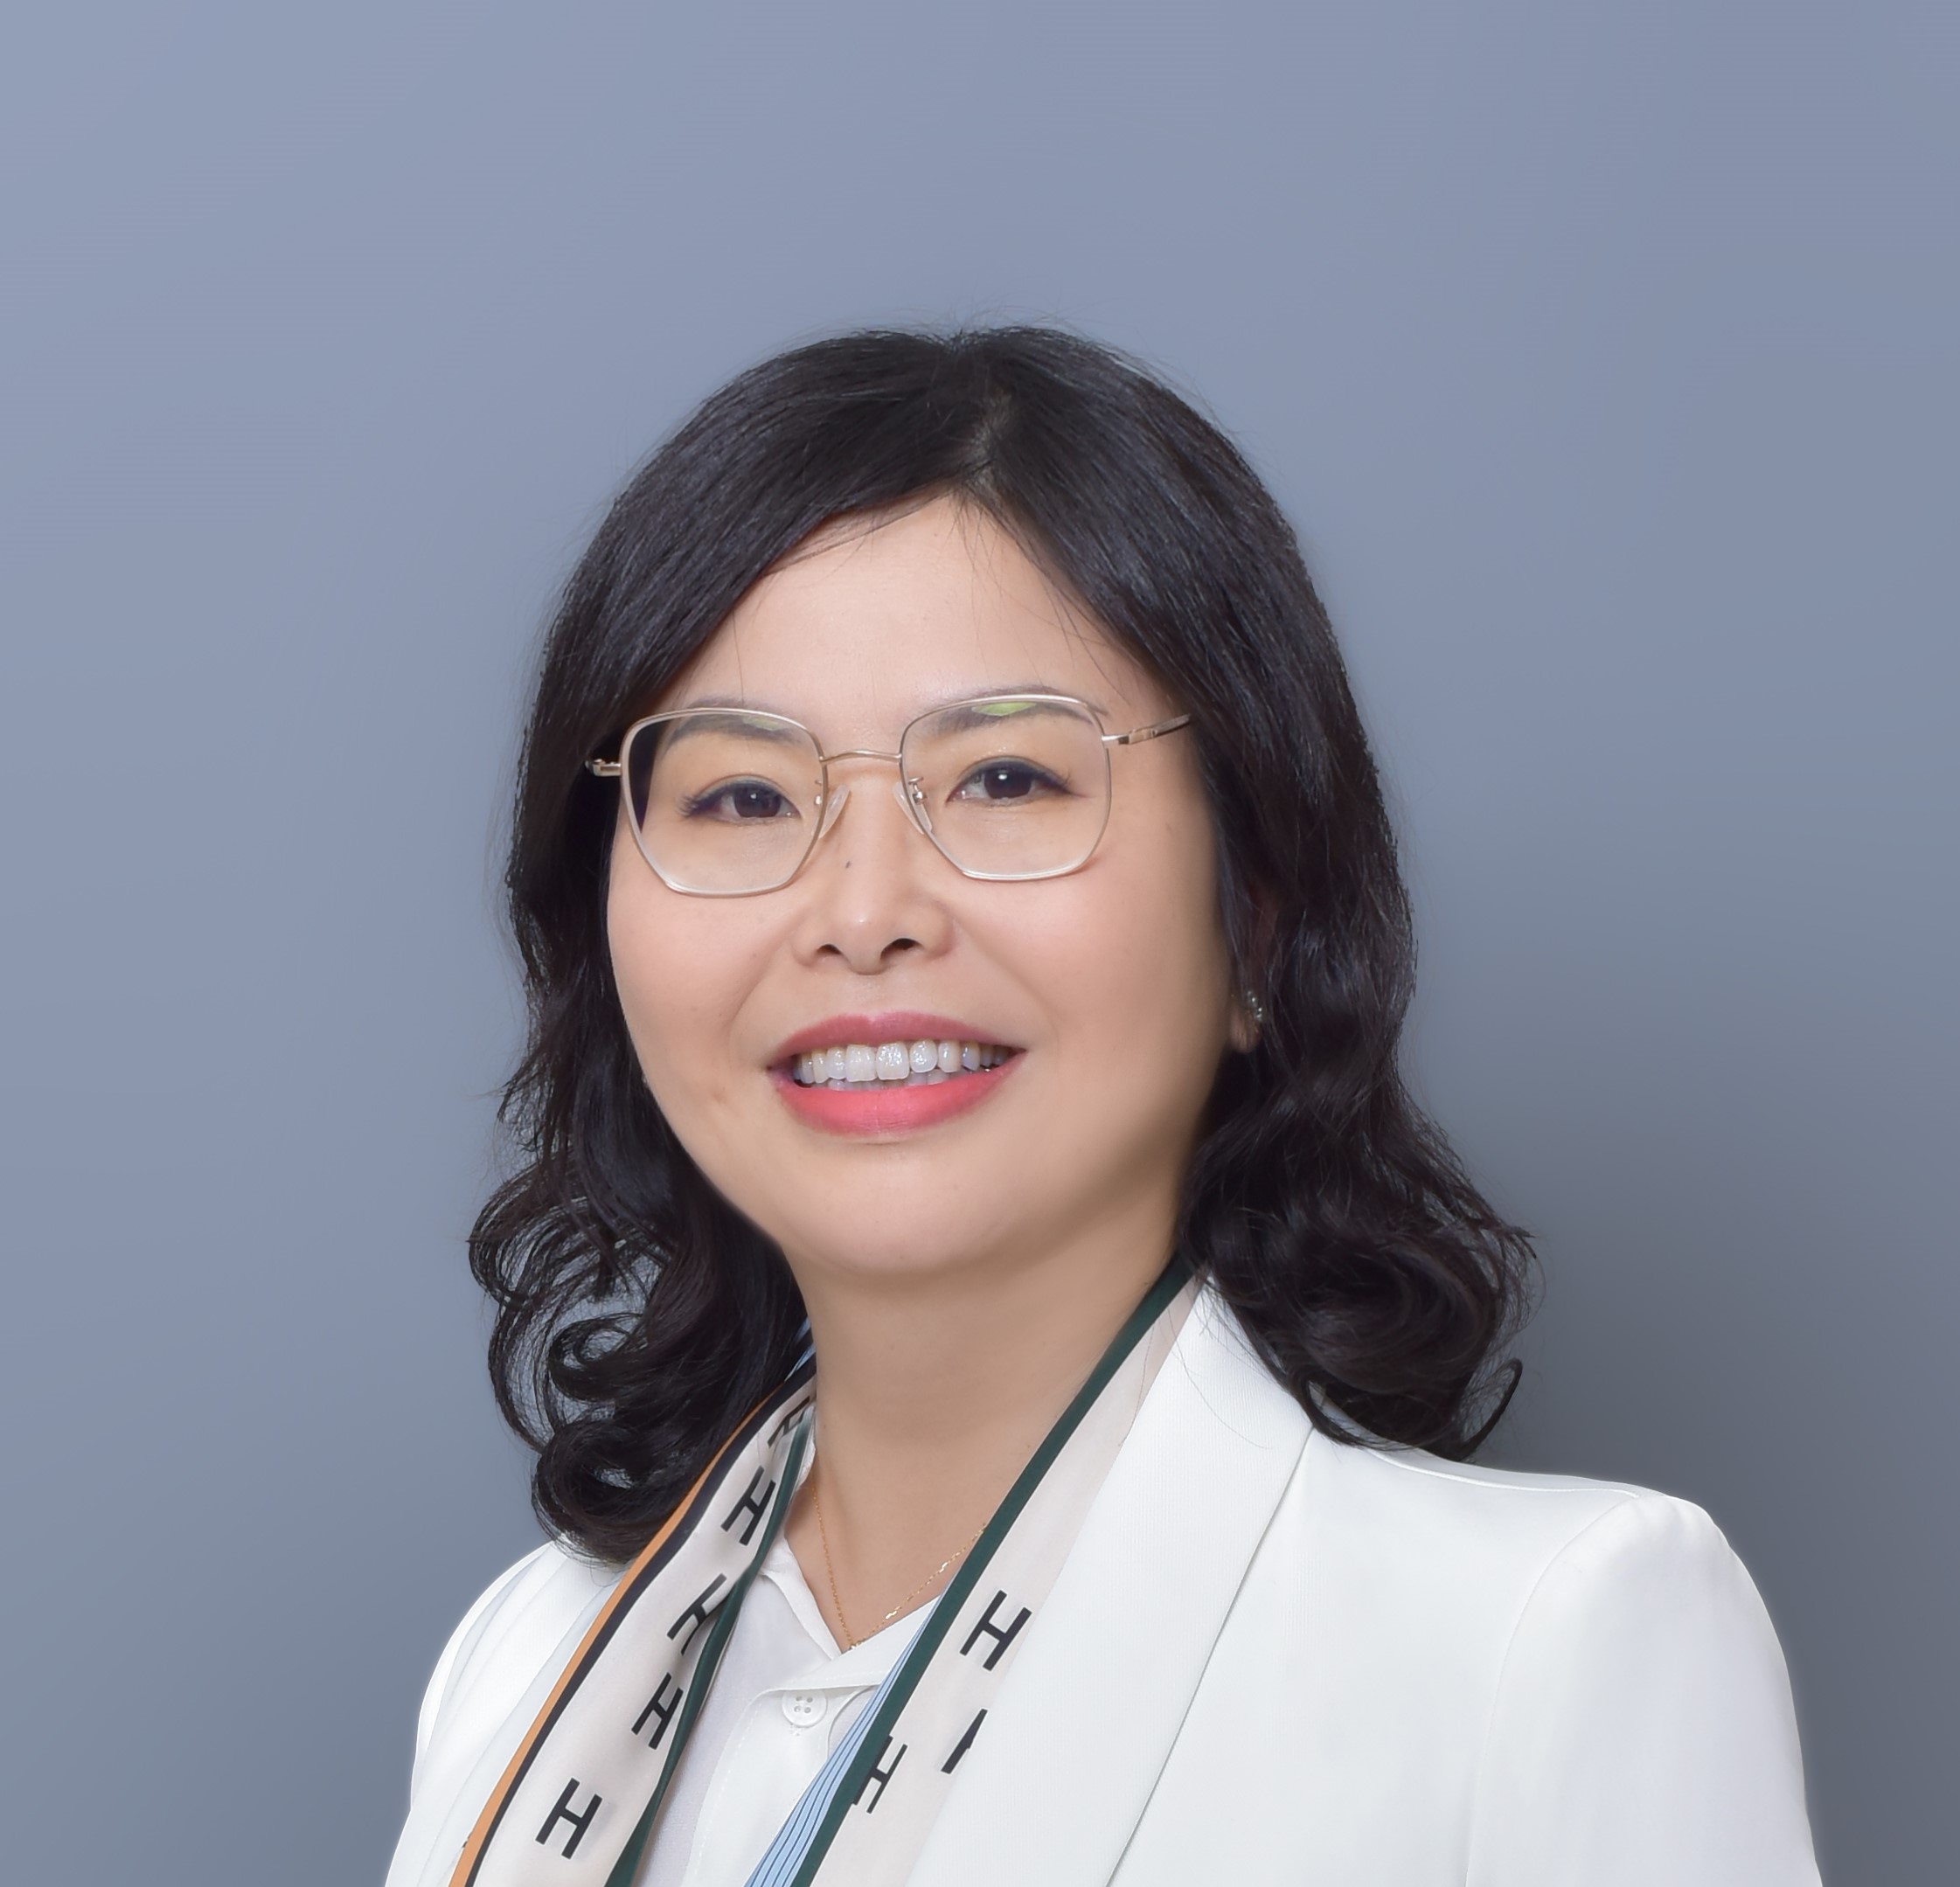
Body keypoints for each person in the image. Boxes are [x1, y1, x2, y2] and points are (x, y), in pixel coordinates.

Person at [385, 327, 1819, 1887]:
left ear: (1257, 920)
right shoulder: (526, 1670)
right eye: (741, 796)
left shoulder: (1541, 1642)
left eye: (1007, 779)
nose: (861, 912)